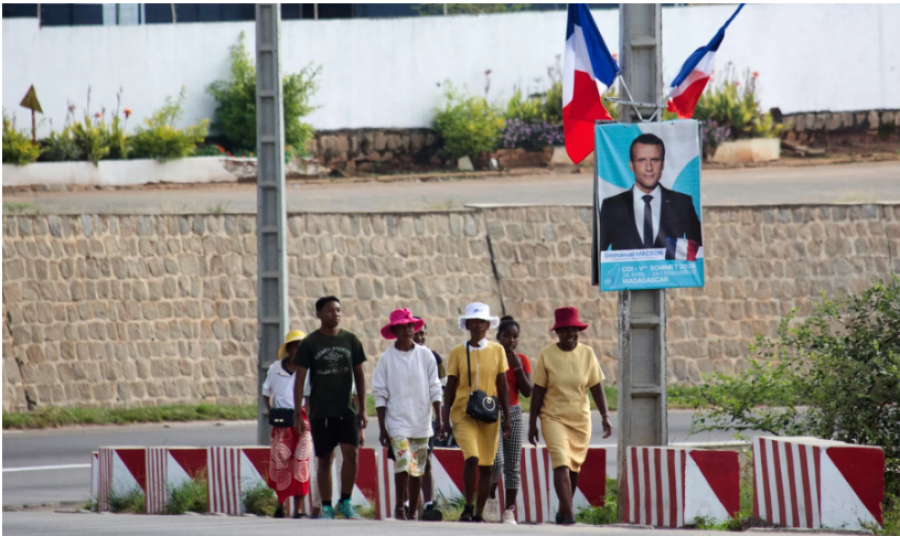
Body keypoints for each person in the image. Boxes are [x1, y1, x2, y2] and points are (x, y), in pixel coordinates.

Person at [528, 307, 612, 525]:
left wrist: (604, 415)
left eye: (574, 330)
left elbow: (596, 387)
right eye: (565, 330)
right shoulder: (547, 354)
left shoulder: (587, 354)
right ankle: (569, 514)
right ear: (558, 333)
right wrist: (532, 423)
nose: (571, 335)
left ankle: (563, 512)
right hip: (553, 418)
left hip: (580, 420)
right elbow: (538, 391)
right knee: (561, 463)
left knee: (574, 467)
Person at [293, 296, 367, 520]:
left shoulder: (351, 340)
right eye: (329, 310)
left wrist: (363, 408)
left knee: (351, 454)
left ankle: (344, 501)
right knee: (324, 458)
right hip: (320, 411)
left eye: (338, 310)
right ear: (318, 314)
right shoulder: (310, 343)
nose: (335, 314)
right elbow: (299, 379)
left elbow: (360, 375)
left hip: (346, 410)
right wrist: (298, 413)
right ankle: (326, 506)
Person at [438, 302, 511, 523]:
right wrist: (444, 419)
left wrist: (507, 417)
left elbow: (503, 385)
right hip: (463, 414)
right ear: (467, 324)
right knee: (472, 457)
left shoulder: (497, 350)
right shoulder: (458, 352)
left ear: (488, 325)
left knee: (487, 464)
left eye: (482, 321)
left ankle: (478, 512)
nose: (478, 325)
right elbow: (450, 386)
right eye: (474, 321)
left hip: (489, 414)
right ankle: (468, 506)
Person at [372, 309, 443, 521]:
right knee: (403, 463)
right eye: (402, 326)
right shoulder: (386, 359)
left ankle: (413, 510)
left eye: (410, 326)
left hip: (421, 421)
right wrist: (383, 427)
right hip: (397, 421)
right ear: (394, 330)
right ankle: (399, 507)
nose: (408, 330)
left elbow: (435, 386)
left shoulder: (426, 355)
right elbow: (380, 394)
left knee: (417, 468)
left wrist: (438, 416)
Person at [599, 133, 703, 251]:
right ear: (631, 165)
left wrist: (671, 253)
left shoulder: (682, 203)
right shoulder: (611, 206)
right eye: (641, 160)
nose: (649, 168)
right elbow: (599, 254)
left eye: (654, 160)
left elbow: (698, 251)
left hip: (667, 270)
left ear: (663, 164)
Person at [483, 316, 532, 525]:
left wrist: (517, 366)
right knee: (497, 461)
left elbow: (528, 391)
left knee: (512, 465)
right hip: (493, 411)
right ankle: (491, 496)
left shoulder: (522, 359)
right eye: (506, 336)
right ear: (498, 337)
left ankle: (509, 510)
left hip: (514, 411)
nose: (511, 340)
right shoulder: (490, 356)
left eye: (515, 336)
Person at [263, 329, 312, 519]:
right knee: (281, 462)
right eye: (295, 346)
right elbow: (266, 391)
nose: (298, 350)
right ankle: (280, 505)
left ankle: (299, 508)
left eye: (302, 347)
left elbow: (311, 394)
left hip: (303, 420)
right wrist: (271, 411)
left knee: (302, 463)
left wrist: (308, 412)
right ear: (289, 349)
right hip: (282, 421)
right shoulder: (275, 368)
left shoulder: (309, 369)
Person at [412, 318, 446, 521]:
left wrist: (442, 416)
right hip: (403, 419)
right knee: (407, 465)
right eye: (417, 333)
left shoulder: (434, 358)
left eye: (423, 333)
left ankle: (428, 505)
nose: (420, 337)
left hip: (426, 420)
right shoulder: (397, 356)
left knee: (426, 463)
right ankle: (407, 505)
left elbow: (442, 387)